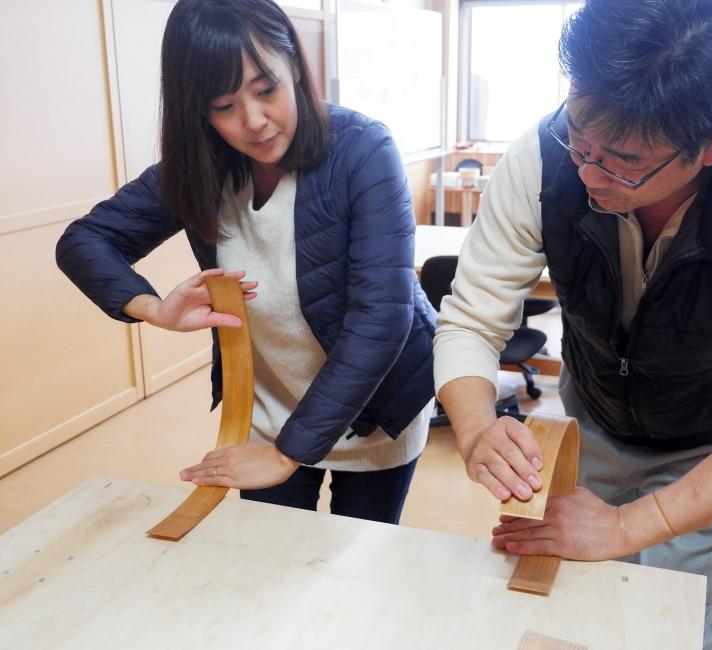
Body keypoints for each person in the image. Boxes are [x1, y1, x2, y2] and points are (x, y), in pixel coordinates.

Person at [433, 1, 712, 648]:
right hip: (594, 415)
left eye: (623, 161)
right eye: (580, 136)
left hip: (710, 446)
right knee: (577, 600)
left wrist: (632, 526)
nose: (586, 170)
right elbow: (470, 316)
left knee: (668, 620)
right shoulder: (545, 155)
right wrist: (475, 427)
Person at [56, 0, 436, 525]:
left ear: (295, 70)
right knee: (267, 564)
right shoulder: (202, 166)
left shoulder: (363, 150)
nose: (254, 122)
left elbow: (380, 322)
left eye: (266, 89)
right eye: (223, 105)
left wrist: (288, 453)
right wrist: (154, 309)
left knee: (357, 571)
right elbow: (85, 240)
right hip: (266, 414)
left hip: (375, 411)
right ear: (199, 111)